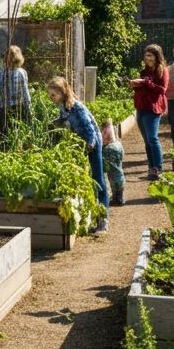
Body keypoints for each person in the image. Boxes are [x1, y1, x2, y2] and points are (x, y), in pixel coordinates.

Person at [46, 76, 108, 233]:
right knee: (88, 179)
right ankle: (93, 216)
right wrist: (53, 124)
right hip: (82, 144)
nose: (51, 98)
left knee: (98, 179)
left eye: (53, 95)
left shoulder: (76, 107)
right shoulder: (63, 106)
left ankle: (103, 220)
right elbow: (62, 118)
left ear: (62, 92)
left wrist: (91, 144)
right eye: (50, 95)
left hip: (92, 143)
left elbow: (89, 127)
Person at [129, 44, 169, 180]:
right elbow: (144, 87)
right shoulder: (144, 71)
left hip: (153, 108)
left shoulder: (162, 71)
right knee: (147, 140)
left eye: (150, 55)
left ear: (157, 56)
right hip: (141, 107)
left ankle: (158, 167)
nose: (148, 58)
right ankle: (151, 167)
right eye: (146, 55)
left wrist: (145, 83)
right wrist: (136, 85)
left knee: (152, 138)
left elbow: (162, 90)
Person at [0, 45, 32, 148]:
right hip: (18, 106)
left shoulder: (1, 73)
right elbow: (25, 92)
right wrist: (28, 105)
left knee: (4, 131)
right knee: (16, 129)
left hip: (4, 107)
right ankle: (15, 148)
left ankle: (4, 149)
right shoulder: (22, 72)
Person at [101, 120, 125, 207]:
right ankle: (118, 196)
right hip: (116, 144)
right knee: (117, 172)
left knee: (114, 174)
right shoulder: (108, 119)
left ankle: (118, 198)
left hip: (109, 147)